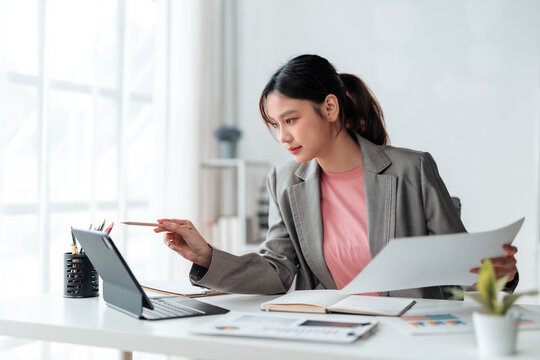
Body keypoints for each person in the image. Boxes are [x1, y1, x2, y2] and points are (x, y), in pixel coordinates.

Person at [154, 54, 518, 298]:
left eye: (291, 120)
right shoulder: (284, 182)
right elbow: (278, 271)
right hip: (333, 332)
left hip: (408, 335)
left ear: (330, 107)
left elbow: (460, 267)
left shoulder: (412, 169)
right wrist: (206, 256)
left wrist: (501, 274)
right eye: (275, 125)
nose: (283, 136)